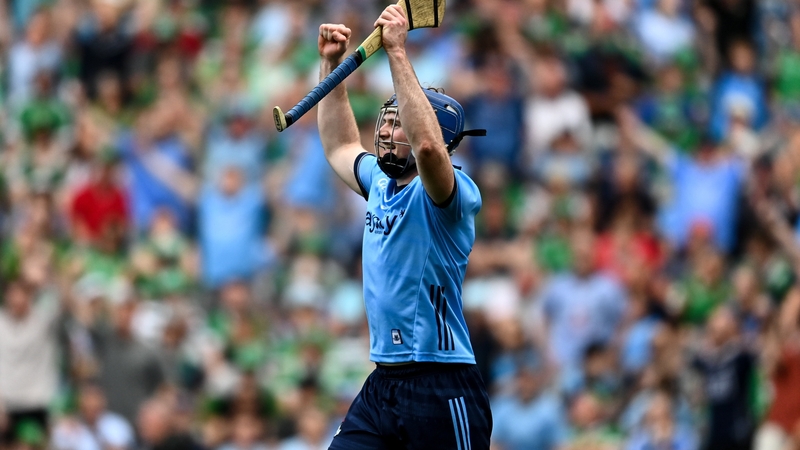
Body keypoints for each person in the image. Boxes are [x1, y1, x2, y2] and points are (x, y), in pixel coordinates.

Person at [314, 5, 491, 449]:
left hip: (442, 383)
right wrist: (331, 67)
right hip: (383, 384)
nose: (388, 130)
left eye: (399, 124)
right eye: (389, 121)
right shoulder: (379, 181)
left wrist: (396, 52)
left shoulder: (452, 193)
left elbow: (429, 148)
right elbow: (339, 145)